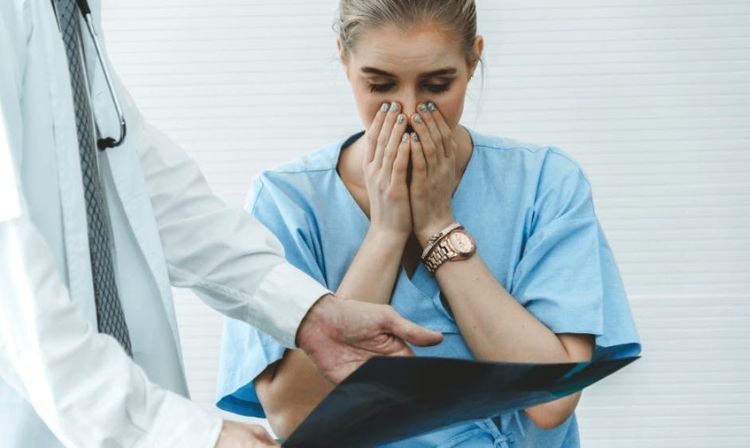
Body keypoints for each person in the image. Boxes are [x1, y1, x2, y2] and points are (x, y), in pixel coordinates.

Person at [0, 1, 444, 447]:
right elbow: (11, 286)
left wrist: (313, 314)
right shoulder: (291, 195)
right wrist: (183, 434)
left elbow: (145, 182)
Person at [217, 0, 641, 446]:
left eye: (437, 86)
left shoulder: (545, 184)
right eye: (380, 85)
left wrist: (439, 228)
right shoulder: (287, 202)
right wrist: (386, 232)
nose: (408, 111)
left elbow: (551, 402)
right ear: (344, 57)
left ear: (473, 60)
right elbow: (293, 417)